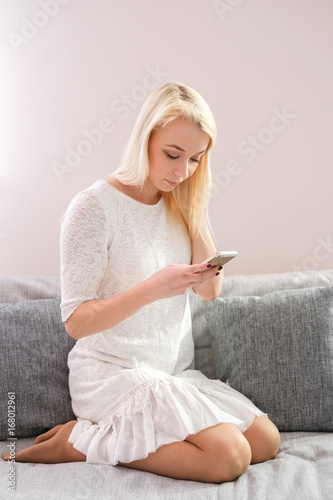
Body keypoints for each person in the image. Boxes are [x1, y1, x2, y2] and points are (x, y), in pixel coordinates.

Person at [2, 82, 280, 483]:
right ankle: (81, 442)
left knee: (266, 441)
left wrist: (195, 210)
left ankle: (99, 440)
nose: (182, 170)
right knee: (229, 458)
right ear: (144, 139)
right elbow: (76, 322)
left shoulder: (181, 200)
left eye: (195, 159)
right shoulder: (93, 208)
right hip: (114, 374)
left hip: (169, 374)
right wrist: (154, 288)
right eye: (172, 154)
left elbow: (209, 291)